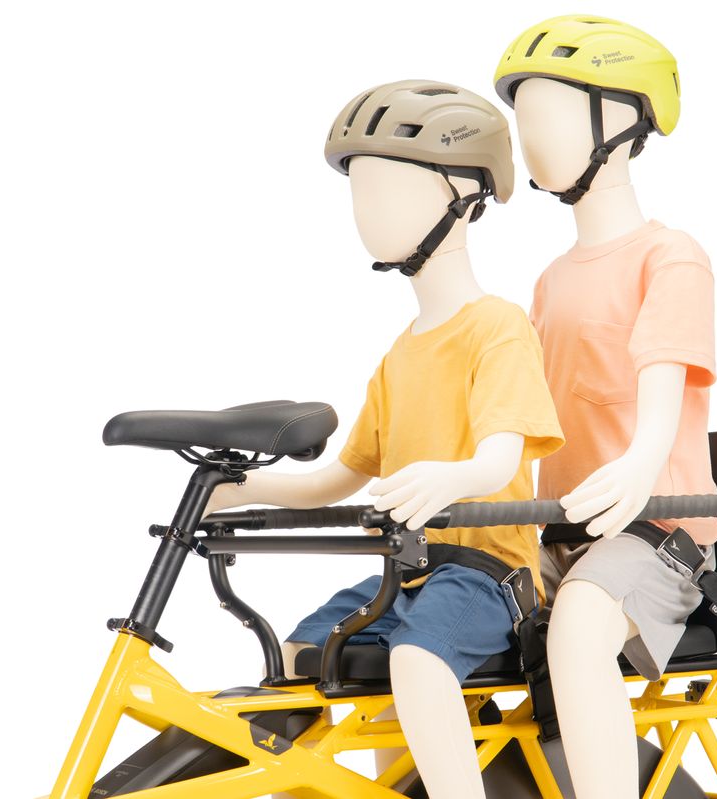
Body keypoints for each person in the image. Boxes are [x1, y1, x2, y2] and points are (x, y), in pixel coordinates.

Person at [205, 79, 563, 799]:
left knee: (417, 661)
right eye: (359, 193)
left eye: (391, 189)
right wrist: (238, 489)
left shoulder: (497, 327)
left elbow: (500, 457)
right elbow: (335, 480)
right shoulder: (400, 354)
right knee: (301, 656)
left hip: (485, 572)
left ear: (464, 194)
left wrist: (450, 476)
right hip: (406, 571)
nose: (368, 212)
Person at [494, 16, 717, 799]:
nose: (533, 138)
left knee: (581, 623)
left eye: (552, 114)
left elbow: (659, 405)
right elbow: (523, 421)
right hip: (558, 532)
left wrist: (637, 463)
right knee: (426, 621)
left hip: (656, 534)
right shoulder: (550, 281)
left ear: (623, 122)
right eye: (523, 120)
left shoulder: (671, 256)